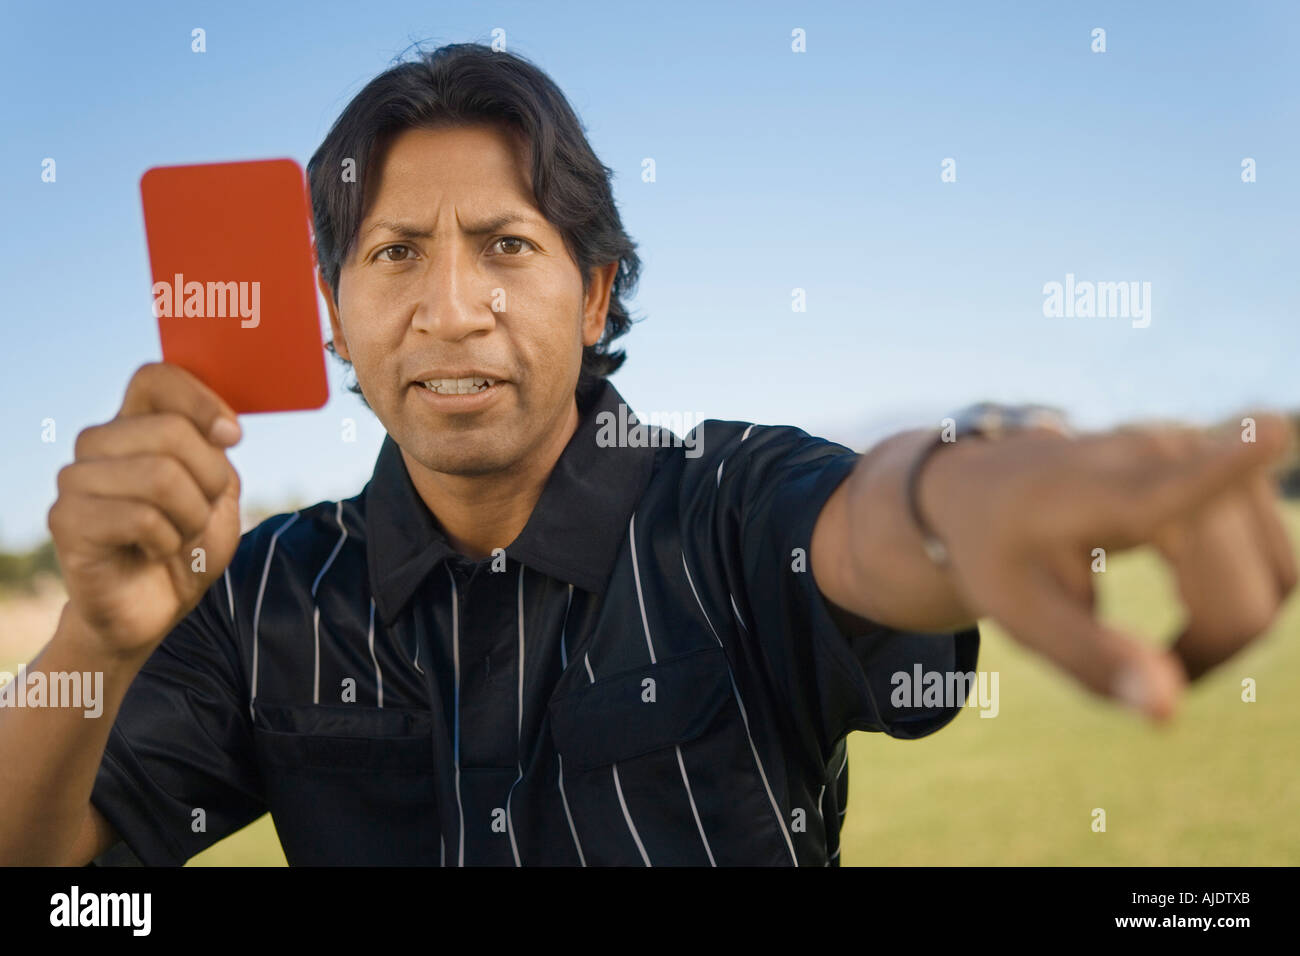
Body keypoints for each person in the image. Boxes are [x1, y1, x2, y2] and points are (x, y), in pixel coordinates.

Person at [1, 43, 1293, 866]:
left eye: (506, 246)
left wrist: (983, 474)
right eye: (395, 254)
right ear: (335, 311)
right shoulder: (267, 588)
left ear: (598, 293)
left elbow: (876, 519)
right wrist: (89, 649)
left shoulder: (722, 507)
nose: (452, 307)